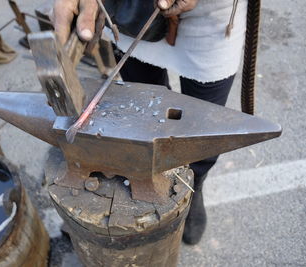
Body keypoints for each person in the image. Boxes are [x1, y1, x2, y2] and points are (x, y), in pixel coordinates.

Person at [53, 0, 247, 245]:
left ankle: (193, 183)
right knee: (146, 107)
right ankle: (152, 170)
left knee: (204, 127)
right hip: (131, 13)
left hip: (212, 18)